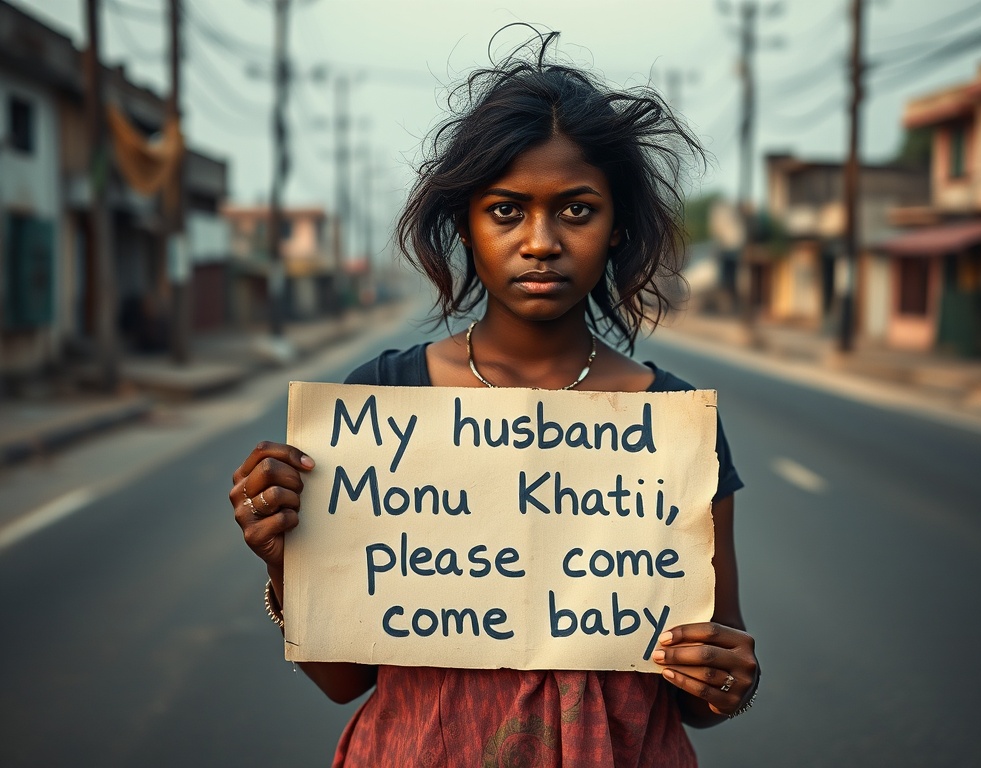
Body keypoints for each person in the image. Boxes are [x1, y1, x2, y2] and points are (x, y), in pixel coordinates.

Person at [230, 29, 759, 767]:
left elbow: (701, 699)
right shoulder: (382, 405)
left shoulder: (672, 426)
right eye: (506, 211)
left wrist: (728, 678)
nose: (540, 241)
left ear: (616, 230)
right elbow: (343, 681)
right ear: (466, 225)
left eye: (576, 211)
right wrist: (282, 562)